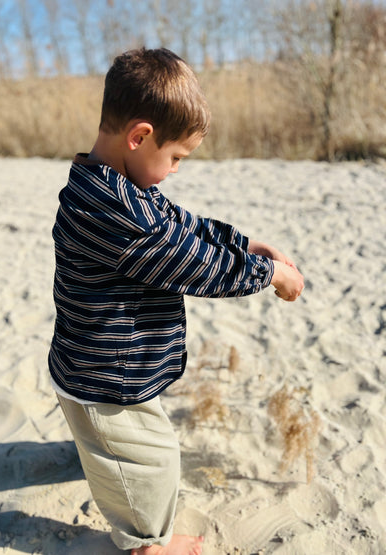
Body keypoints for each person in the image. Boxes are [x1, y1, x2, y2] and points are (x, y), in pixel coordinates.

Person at [48, 47, 304, 555]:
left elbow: (182, 226)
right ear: (140, 136)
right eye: (176, 158)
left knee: (126, 449)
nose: (176, 171)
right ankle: (148, 545)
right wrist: (267, 273)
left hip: (101, 366)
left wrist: (245, 244)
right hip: (106, 380)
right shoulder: (117, 214)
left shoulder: (113, 185)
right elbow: (192, 264)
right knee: (154, 461)